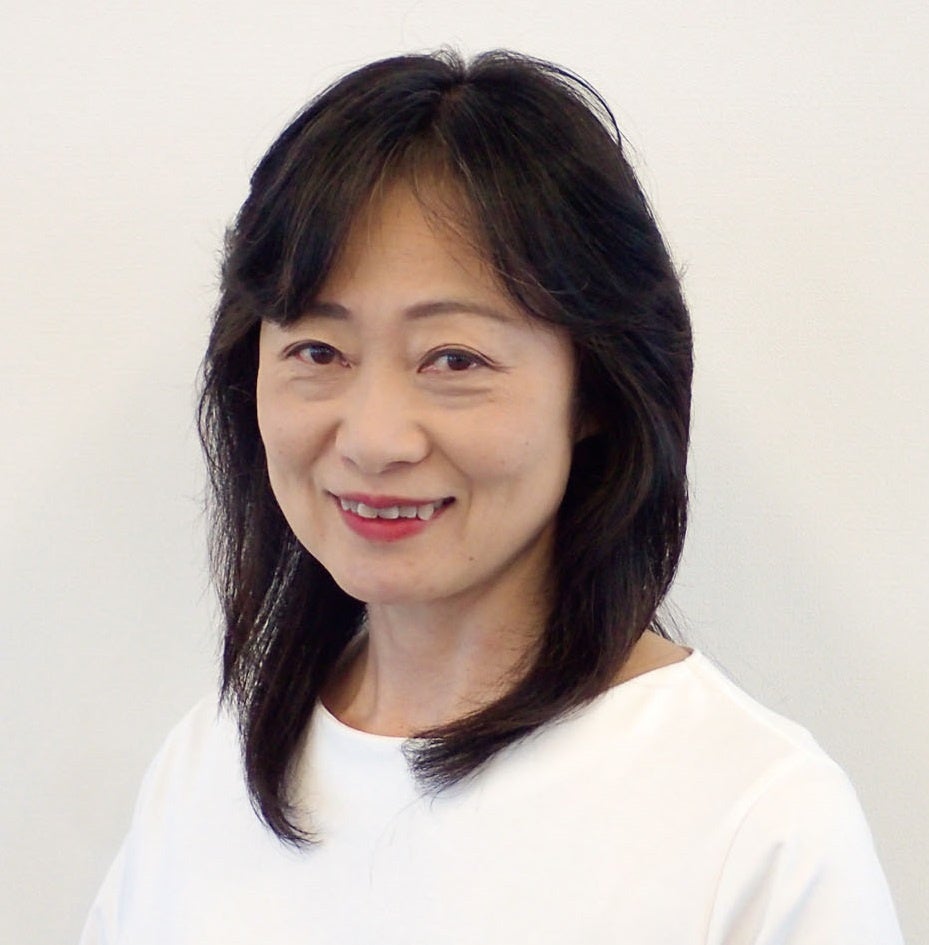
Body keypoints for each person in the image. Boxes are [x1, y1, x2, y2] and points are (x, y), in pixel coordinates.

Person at [80, 50, 904, 944]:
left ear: (594, 391)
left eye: (453, 359)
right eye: (318, 351)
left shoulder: (756, 821)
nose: (373, 438)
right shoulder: (205, 769)